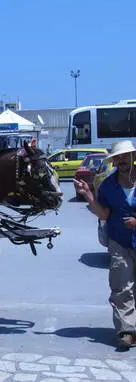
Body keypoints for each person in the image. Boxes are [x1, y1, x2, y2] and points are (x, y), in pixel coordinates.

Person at [75, 140, 136, 349]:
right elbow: (104, 214)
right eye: (118, 158)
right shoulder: (109, 185)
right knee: (121, 288)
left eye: (125, 156)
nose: (122, 161)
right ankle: (126, 331)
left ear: (132, 157)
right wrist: (89, 196)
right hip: (119, 242)